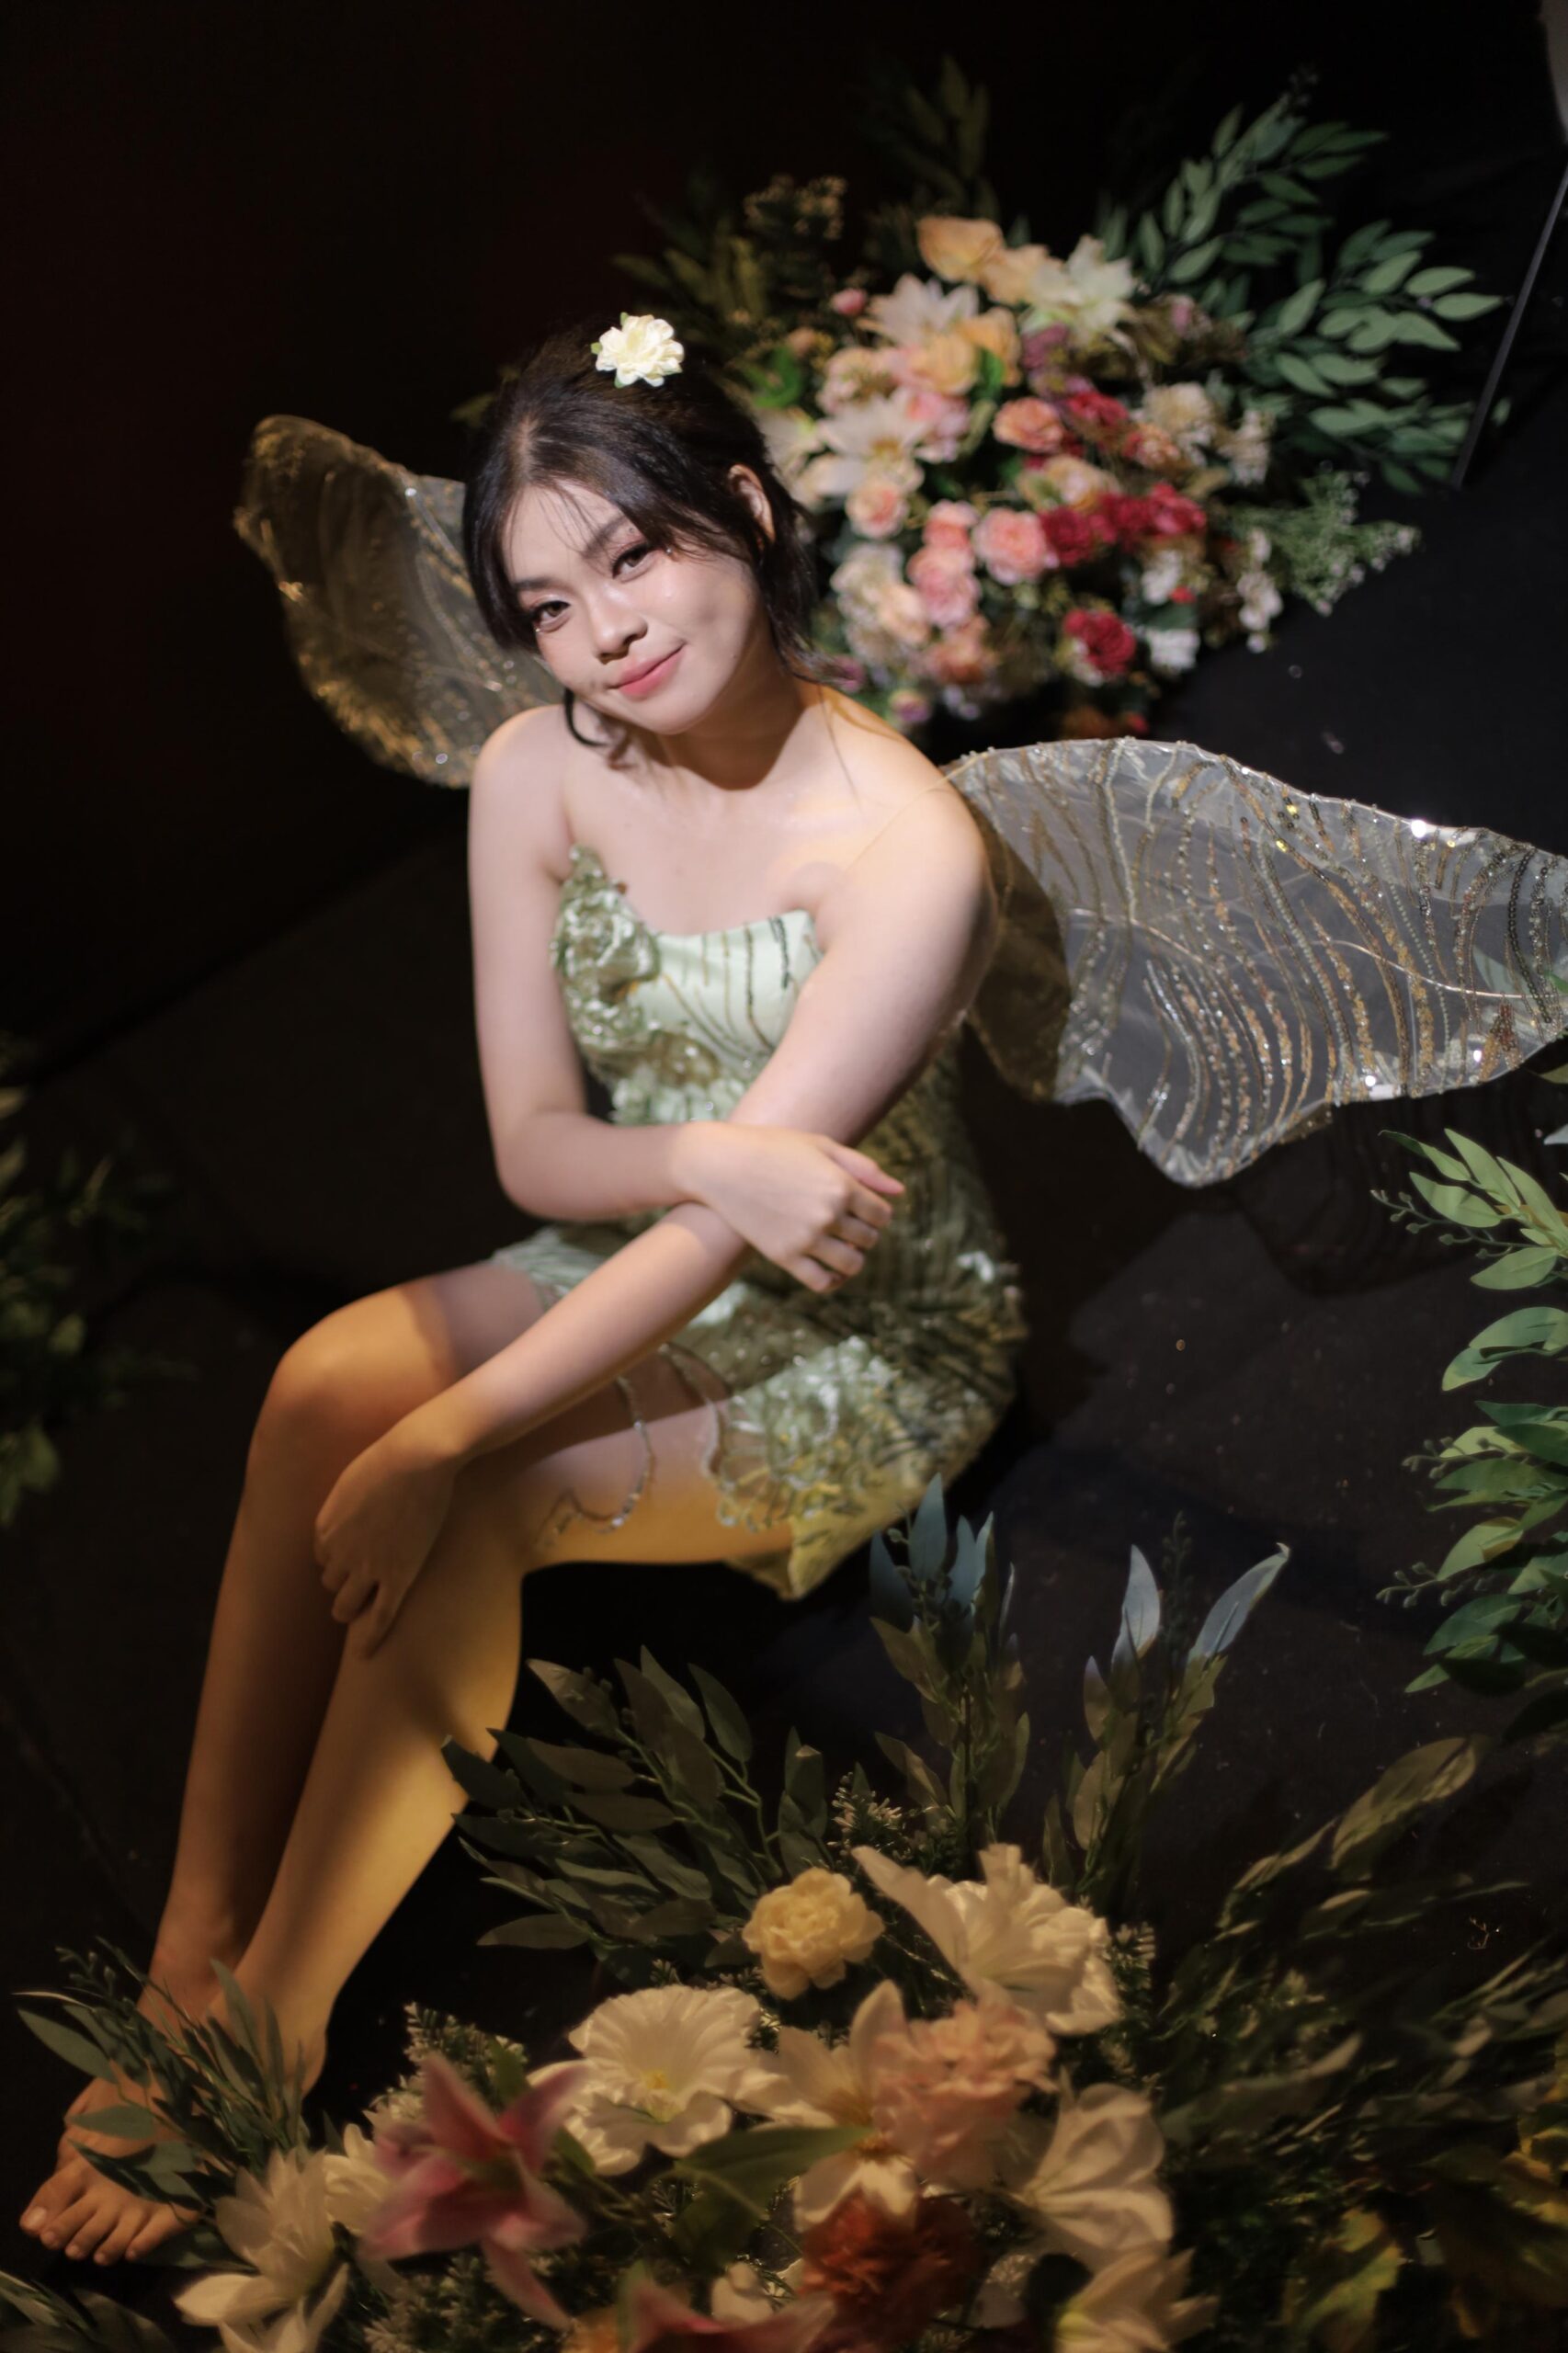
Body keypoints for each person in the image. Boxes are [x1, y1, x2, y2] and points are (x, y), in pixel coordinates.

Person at [19, 313, 1568, 2270]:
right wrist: (708, 1154)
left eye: (635, 554)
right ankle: (189, 1943)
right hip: (637, 1242)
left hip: (857, 1339)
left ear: (744, 510)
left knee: (477, 1488)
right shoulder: (534, 771)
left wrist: (454, 1428)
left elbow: (746, 1250)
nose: (603, 632)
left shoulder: (905, 851)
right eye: (548, 602)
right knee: (326, 1376)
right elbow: (539, 1152)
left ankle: (271, 2018)